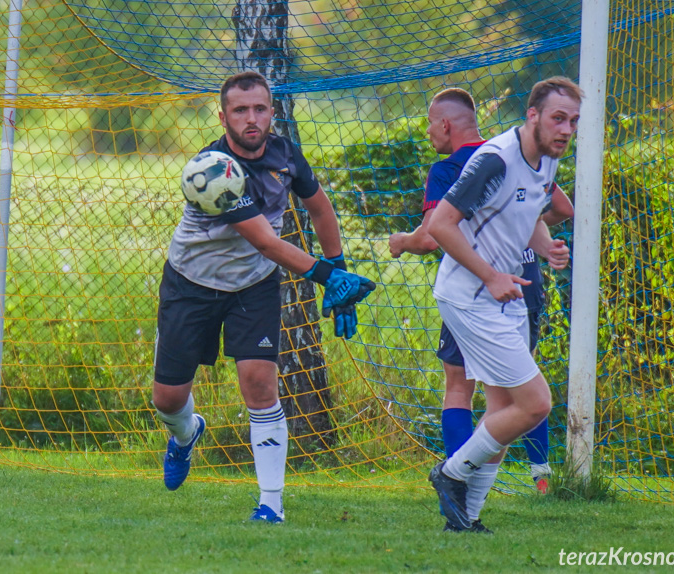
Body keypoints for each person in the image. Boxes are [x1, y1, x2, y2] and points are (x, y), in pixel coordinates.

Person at [152, 71, 375, 524]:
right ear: (223, 116)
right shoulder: (210, 169)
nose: (251, 119)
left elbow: (319, 207)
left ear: (272, 112)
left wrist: (341, 265)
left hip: (253, 286)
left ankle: (271, 505)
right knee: (168, 400)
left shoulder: (286, 154)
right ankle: (186, 435)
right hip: (190, 284)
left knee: (259, 386)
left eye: (259, 109)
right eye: (240, 110)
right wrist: (326, 276)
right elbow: (266, 242)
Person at [388, 87, 575, 529]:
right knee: (535, 404)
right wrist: (490, 275)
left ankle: (464, 519)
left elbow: (528, 214)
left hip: (504, 291)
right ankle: (450, 472)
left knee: (501, 412)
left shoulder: (547, 159)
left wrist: (547, 248)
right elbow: (440, 226)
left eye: (573, 121)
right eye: (558, 119)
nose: (566, 130)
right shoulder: (494, 158)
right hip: (469, 296)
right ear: (533, 115)